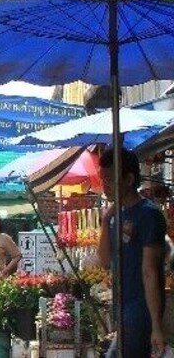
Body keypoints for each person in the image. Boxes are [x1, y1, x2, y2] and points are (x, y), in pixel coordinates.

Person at [97, 147, 167, 358]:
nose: (105, 185)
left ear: (128, 179)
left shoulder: (149, 215)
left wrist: (156, 325)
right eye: (103, 179)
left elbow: (150, 271)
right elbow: (105, 261)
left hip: (141, 310)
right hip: (123, 307)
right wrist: (105, 220)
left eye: (110, 179)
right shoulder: (116, 214)